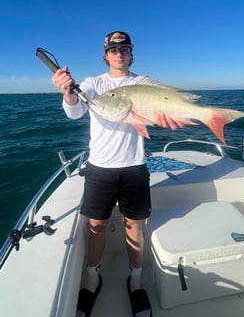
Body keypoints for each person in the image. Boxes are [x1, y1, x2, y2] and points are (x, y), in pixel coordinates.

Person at [52, 31, 176, 317]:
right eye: (113, 49)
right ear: (105, 55)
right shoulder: (94, 84)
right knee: (96, 226)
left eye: (125, 49)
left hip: (134, 166)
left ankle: (136, 282)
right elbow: (74, 113)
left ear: (131, 54)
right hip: (100, 168)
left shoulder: (142, 83)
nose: (119, 53)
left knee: (135, 225)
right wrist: (68, 93)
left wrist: (167, 116)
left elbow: (159, 110)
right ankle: (93, 278)